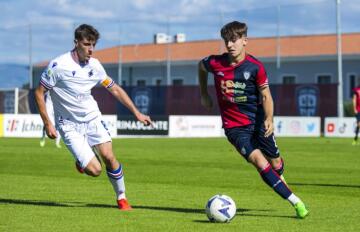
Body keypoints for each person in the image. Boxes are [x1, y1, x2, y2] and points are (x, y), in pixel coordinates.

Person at [35, 24, 152, 210]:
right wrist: (48, 123)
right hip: (69, 125)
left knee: (109, 156)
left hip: (92, 119)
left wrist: (136, 112)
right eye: (87, 44)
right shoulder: (58, 66)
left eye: (93, 45)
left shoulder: (95, 66)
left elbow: (113, 88)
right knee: (95, 170)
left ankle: (122, 197)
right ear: (76, 43)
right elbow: (39, 92)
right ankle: (83, 161)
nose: (91, 49)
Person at [198, 21, 309, 219]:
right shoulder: (215, 63)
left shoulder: (255, 67)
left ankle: (279, 178)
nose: (229, 45)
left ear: (244, 41)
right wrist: (204, 93)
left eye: (233, 40)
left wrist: (269, 118)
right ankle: (296, 202)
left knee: (275, 163)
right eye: (226, 41)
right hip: (235, 128)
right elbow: (200, 66)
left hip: (258, 121)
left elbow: (266, 95)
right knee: (259, 162)